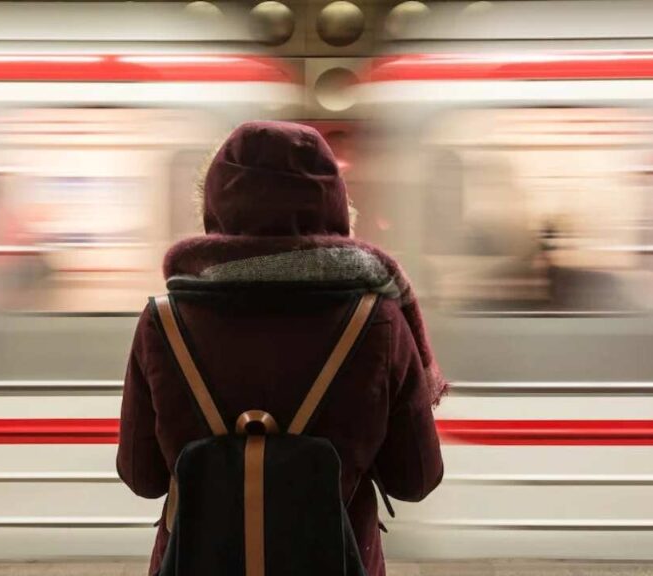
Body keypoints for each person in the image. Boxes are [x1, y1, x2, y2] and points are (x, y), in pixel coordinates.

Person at [117, 121, 446, 576]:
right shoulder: (379, 320)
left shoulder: (164, 320)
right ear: (333, 206)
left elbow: (142, 477)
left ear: (216, 206)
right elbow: (416, 479)